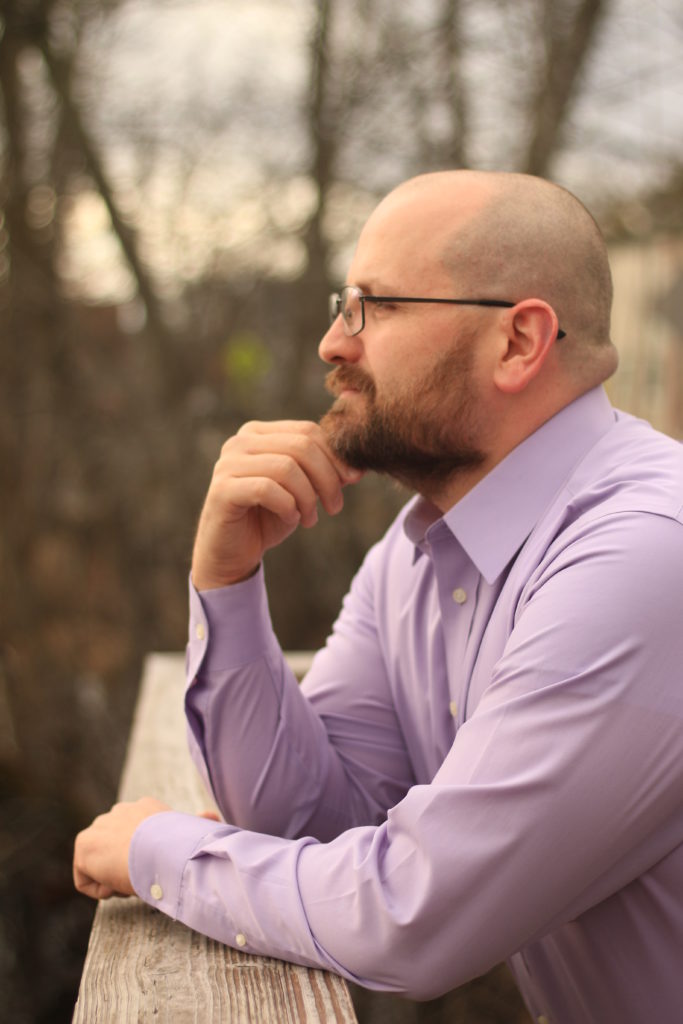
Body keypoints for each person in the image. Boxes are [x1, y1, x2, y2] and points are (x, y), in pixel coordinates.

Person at [73, 170, 683, 1023]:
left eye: (375, 306)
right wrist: (227, 581)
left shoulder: (647, 553)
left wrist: (157, 850)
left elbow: (411, 914)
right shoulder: (422, 549)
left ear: (518, 343)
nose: (332, 343)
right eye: (341, 303)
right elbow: (304, 826)